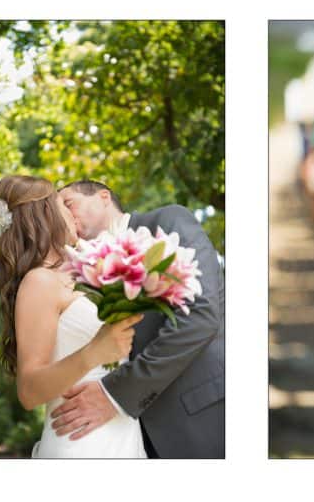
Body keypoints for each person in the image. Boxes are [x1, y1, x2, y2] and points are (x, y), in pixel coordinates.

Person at [52, 179, 225, 458]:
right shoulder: (75, 272)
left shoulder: (168, 221)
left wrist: (115, 395)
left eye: (68, 203)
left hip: (203, 417)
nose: (64, 216)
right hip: (128, 440)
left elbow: (200, 314)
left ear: (103, 196)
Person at [0, 175, 146, 458]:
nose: (72, 212)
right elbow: (28, 390)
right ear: (45, 215)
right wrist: (94, 352)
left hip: (123, 436)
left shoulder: (84, 271)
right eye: (62, 203)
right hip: (82, 443)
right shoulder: (40, 282)